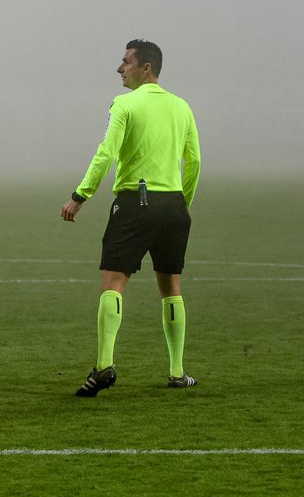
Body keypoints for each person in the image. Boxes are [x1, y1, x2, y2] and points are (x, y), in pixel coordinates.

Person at [60, 40, 200, 397]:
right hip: (174, 205)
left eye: (125, 62)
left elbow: (106, 152)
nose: (119, 68)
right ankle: (177, 371)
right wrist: (183, 203)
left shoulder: (124, 104)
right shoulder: (182, 107)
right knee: (171, 287)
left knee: (113, 282)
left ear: (146, 68)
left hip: (135, 201)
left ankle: (105, 365)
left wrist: (81, 194)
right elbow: (194, 161)